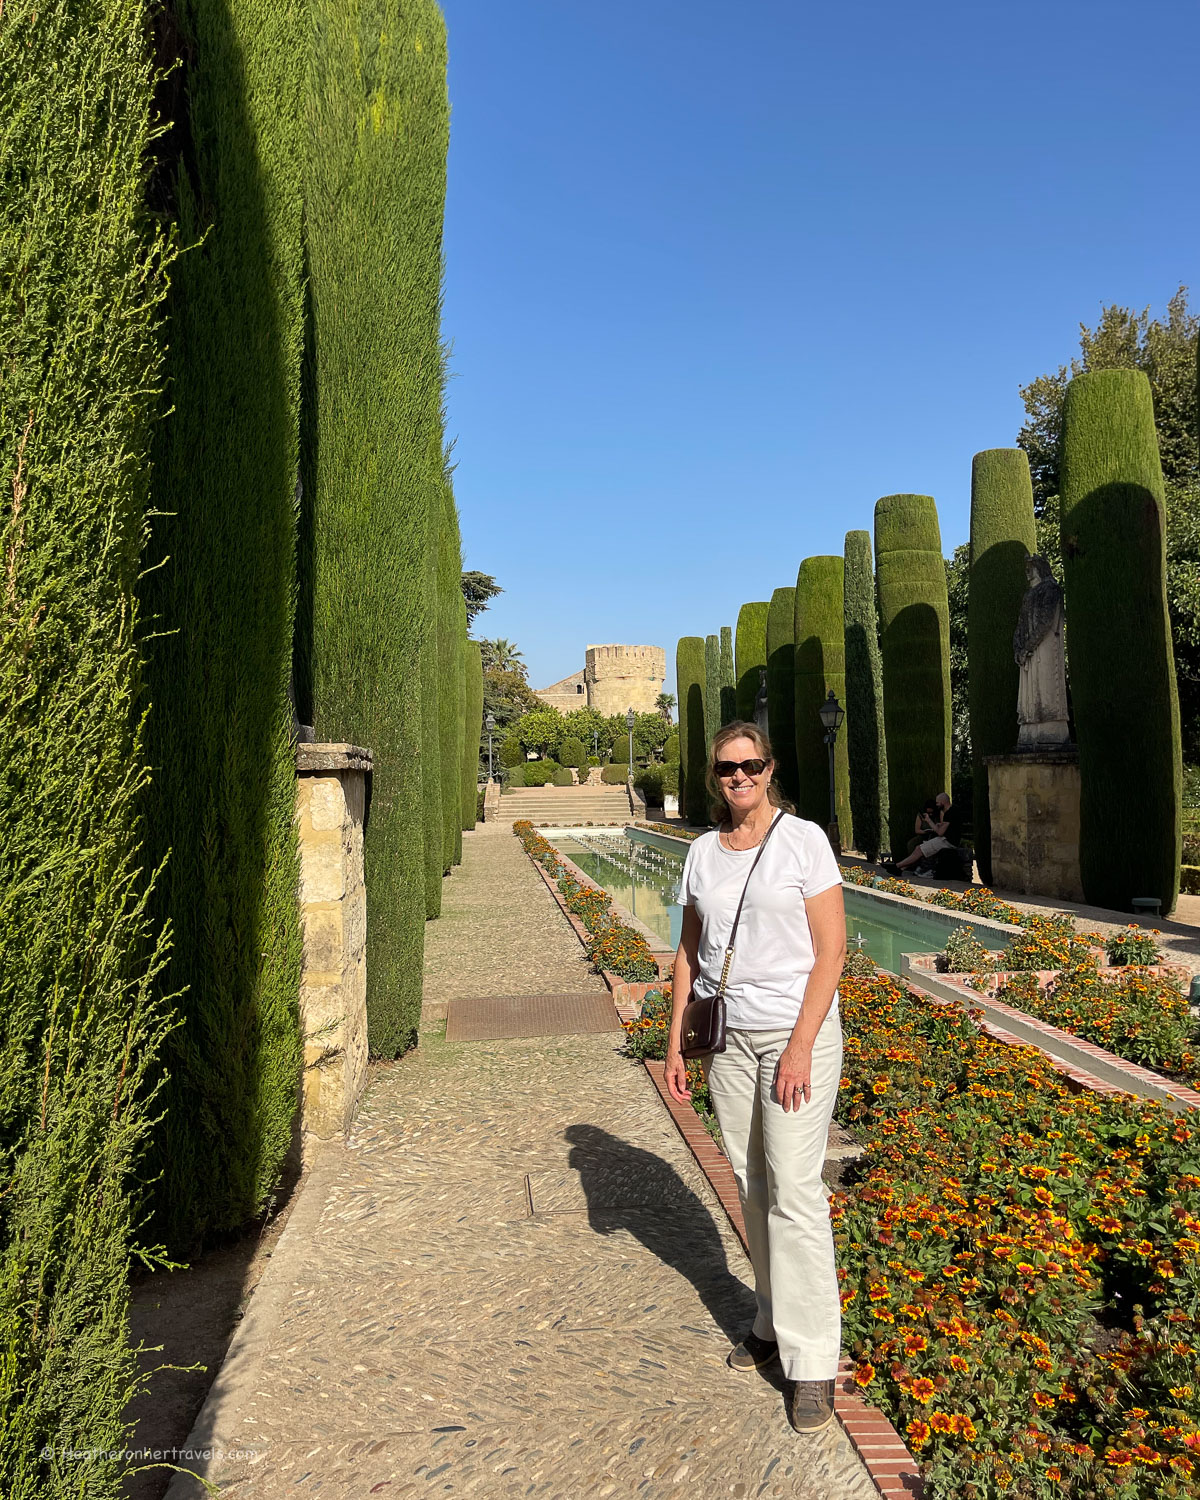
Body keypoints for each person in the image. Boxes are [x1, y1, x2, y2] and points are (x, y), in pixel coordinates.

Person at [665, 721, 846, 1434]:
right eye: (726, 768)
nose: (739, 777)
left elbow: (830, 953)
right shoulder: (703, 853)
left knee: (797, 1193)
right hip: (729, 1045)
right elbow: (687, 955)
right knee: (751, 1184)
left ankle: (813, 1365)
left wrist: (801, 1046)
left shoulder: (804, 841)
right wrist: (677, 1041)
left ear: (770, 769)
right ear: (715, 777)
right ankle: (772, 1322)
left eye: (751, 765)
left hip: (794, 1038)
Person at [883, 791, 961, 875]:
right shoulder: (953, 809)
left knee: (919, 849)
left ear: (943, 802)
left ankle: (897, 866)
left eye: (938, 803)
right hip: (947, 840)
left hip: (947, 841)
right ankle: (900, 868)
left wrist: (929, 821)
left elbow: (940, 833)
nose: (937, 805)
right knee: (918, 848)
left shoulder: (949, 813)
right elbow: (950, 826)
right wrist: (940, 825)